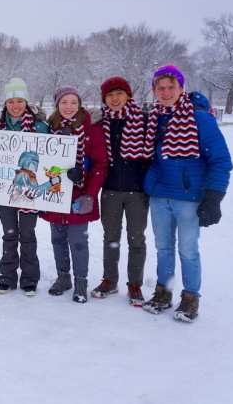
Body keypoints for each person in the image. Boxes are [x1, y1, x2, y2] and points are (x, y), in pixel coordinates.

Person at [142, 66, 233, 322]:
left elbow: (221, 160)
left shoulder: (200, 119)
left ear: (182, 88)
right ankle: (163, 292)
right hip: (159, 195)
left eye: (172, 87)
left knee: (188, 251)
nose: (166, 92)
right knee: (163, 248)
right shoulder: (155, 118)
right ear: (154, 91)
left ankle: (190, 298)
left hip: (189, 198)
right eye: (161, 88)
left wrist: (214, 199)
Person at [0, 78, 51, 295]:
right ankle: (7, 277)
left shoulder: (40, 128)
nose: (15, 105)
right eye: (11, 101)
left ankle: (30, 278)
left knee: (28, 235)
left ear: (26, 102)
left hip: (30, 191)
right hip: (6, 191)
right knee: (9, 234)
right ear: (5, 104)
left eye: (20, 100)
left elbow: (50, 158)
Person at [41, 86, 109, 303]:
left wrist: (89, 192)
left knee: (78, 240)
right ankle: (63, 278)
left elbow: (100, 164)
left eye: (73, 102)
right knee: (57, 238)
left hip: (80, 194)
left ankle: (81, 280)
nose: (69, 107)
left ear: (79, 104)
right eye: (64, 102)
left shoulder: (91, 128)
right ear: (57, 105)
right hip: (54, 192)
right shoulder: (50, 127)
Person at [92, 77, 150, 306]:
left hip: (137, 192)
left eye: (119, 94)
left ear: (128, 96)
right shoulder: (100, 123)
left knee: (136, 240)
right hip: (110, 190)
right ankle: (109, 280)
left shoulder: (143, 120)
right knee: (111, 238)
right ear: (104, 99)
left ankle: (135, 284)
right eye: (110, 95)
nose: (115, 99)